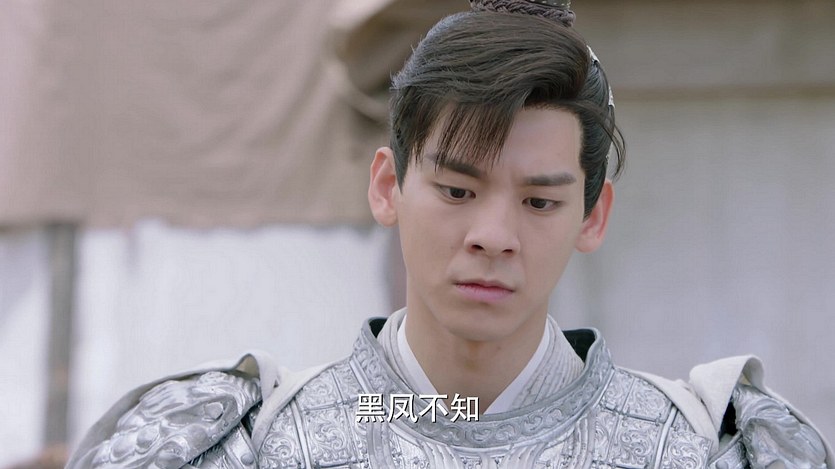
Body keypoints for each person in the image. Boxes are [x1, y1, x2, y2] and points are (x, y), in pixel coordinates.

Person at [67, 0, 832, 467]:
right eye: (458, 190)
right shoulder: (238, 441)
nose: (492, 235)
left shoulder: (707, 446)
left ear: (593, 215)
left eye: (538, 201)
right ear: (387, 186)